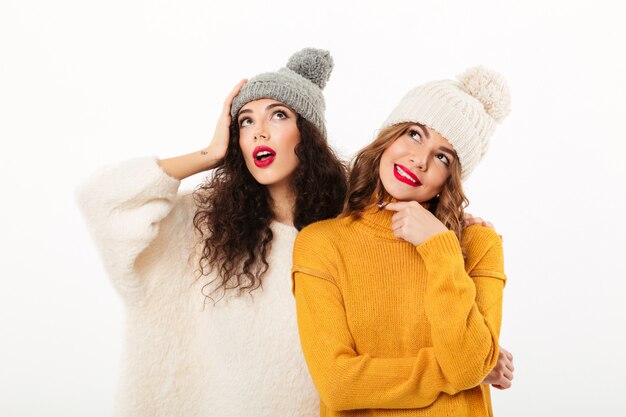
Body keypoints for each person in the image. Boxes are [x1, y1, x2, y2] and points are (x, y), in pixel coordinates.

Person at [77, 48, 347, 417]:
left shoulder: (347, 234)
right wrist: (209, 154)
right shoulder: (204, 227)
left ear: (310, 135)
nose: (259, 133)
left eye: (278, 115)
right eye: (245, 122)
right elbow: (103, 200)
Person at [292, 66, 513, 416]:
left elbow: (470, 364)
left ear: (451, 178)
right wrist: (464, 371)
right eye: (414, 134)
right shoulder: (321, 244)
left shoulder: (478, 243)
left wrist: (440, 249)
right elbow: (338, 385)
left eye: (443, 157)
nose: (419, 160)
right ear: (389, 137)